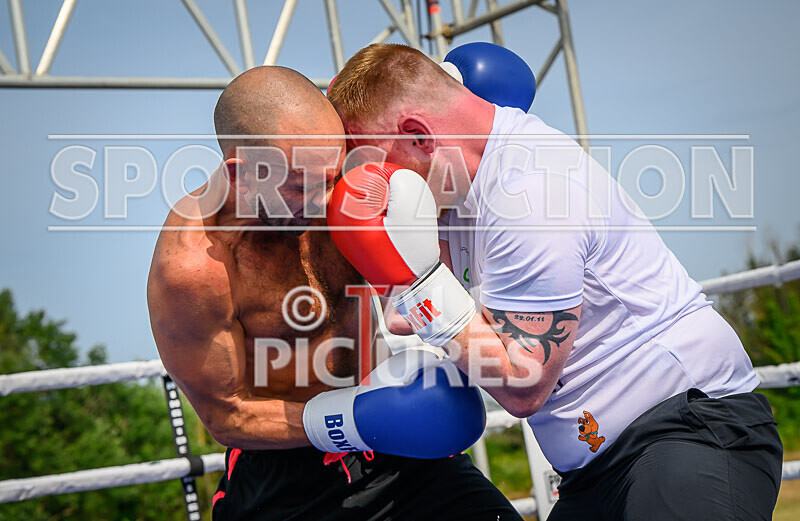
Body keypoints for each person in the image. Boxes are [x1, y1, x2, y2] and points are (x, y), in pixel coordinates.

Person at [325, 43, 784, 520]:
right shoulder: (456, 187)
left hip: (685, 435)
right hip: (595, 468)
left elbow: (522, 383)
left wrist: (421, 286)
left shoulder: (531, 192)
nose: (378, 183)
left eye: (378, 164)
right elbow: (405, 317)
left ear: (420, 136)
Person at [146, 65, 522, 521]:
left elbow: (416, 105)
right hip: (289, 482)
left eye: (332, 174)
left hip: (400, 444)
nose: (328, 200)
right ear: (242, 173)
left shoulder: (344, 172)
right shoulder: (195, 270)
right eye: (302, 186)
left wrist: (461, 86)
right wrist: (353, 421)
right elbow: (226, 414)